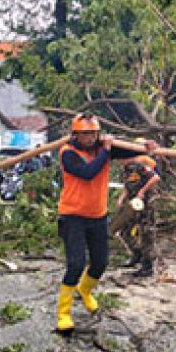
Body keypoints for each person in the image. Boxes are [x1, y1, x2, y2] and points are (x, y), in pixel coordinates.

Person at [55, 114, 158, 332]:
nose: (90, 138)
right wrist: (106, 151)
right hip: (72, 216)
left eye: (93, 133)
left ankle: (85, 291)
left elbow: (129, 151)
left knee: (100, 262)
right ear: (76, 135)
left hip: (97, 216)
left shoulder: (103, 148)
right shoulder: (68, 153)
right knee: (75, 264)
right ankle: (64, 313)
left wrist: (144, 148)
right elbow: (87, 173)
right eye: (85, 134)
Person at [116, 151, 161, 277]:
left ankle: (147, 266)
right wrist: (121, 199)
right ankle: (137, 254)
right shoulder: (125, 170)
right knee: (125, 230)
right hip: (132, 204)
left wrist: (142, 191)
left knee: (146, 233)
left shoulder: (139, 165)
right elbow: (127, 186)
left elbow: (155, 177)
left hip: (146, 203)